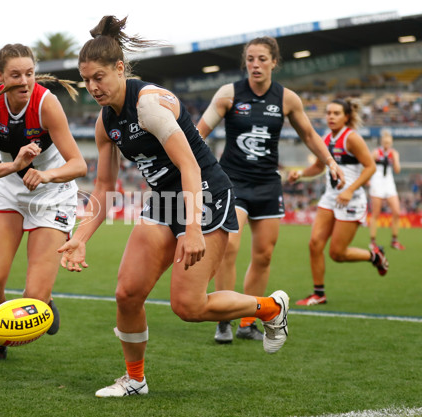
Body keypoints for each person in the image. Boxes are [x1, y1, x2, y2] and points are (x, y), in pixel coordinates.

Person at [59, 16, 289, 397]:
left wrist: (193, 228)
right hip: (164, 200)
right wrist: (81, 236)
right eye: (85, 80)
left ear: (119, 68)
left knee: (189, 306)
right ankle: (135, 380)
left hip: (205, 193)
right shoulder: (106, 122)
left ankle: (269, 308)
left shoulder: (148, 105)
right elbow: (103, 186)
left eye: (98, 77)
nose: (92, 87)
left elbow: (190, 165)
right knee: (127, 293)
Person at [196, 36, 345, 343]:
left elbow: (309, 134)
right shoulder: (228, 94)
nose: (255, 65)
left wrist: (330, 161)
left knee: (263, 255)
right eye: (250, 59)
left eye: (262, 59)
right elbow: (198, 133)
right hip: (232, 182)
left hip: (267, 185)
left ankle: (248, 320)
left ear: (274, 62)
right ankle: (224, 318)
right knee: (230, 248)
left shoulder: (287, 99)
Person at [0, 43, 87, 363]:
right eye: (15, 75)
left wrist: (45, 176)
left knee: (33, 298)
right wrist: (15, 167)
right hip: (10, 192)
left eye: (30, 73)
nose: (25, 81)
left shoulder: (46, 104)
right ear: (0, 76)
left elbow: (78, 165)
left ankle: (44, 297)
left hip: (53, 197)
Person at [289, 98, 388, 306]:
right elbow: (318, 166)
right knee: (314, 244)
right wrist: (300, 174)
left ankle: (374, 256)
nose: (331, 117)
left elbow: (370, 167)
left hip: (351, 200)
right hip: (330, 197)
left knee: (337, 253)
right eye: (328, 113)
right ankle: (319, 294)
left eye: (336, 113)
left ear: (346, 117)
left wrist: (350, 190)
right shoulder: (325, 138)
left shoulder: (352, 138)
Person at [368, 129, 405, 250]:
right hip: (377, 182)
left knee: (396, 212)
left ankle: (394, 240)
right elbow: (368, 165)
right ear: (381, 141)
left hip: (389, 183)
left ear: (391, 143)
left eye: (388, 142)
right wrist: (367, 179)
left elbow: (397, 170)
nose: (386, 144)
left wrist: (395, 159)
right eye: (385, 142)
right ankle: (372, 241)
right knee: (376, 213)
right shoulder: (375, 152)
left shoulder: (394, 153)